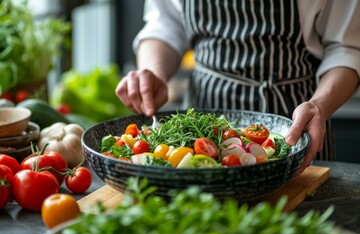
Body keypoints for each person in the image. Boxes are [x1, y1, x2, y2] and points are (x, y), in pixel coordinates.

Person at [115, 0, 360, 175]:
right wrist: (153, 72)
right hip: (200, 119)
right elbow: (165, 25)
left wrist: (320, 105)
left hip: (294, 117)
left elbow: (348, 48)